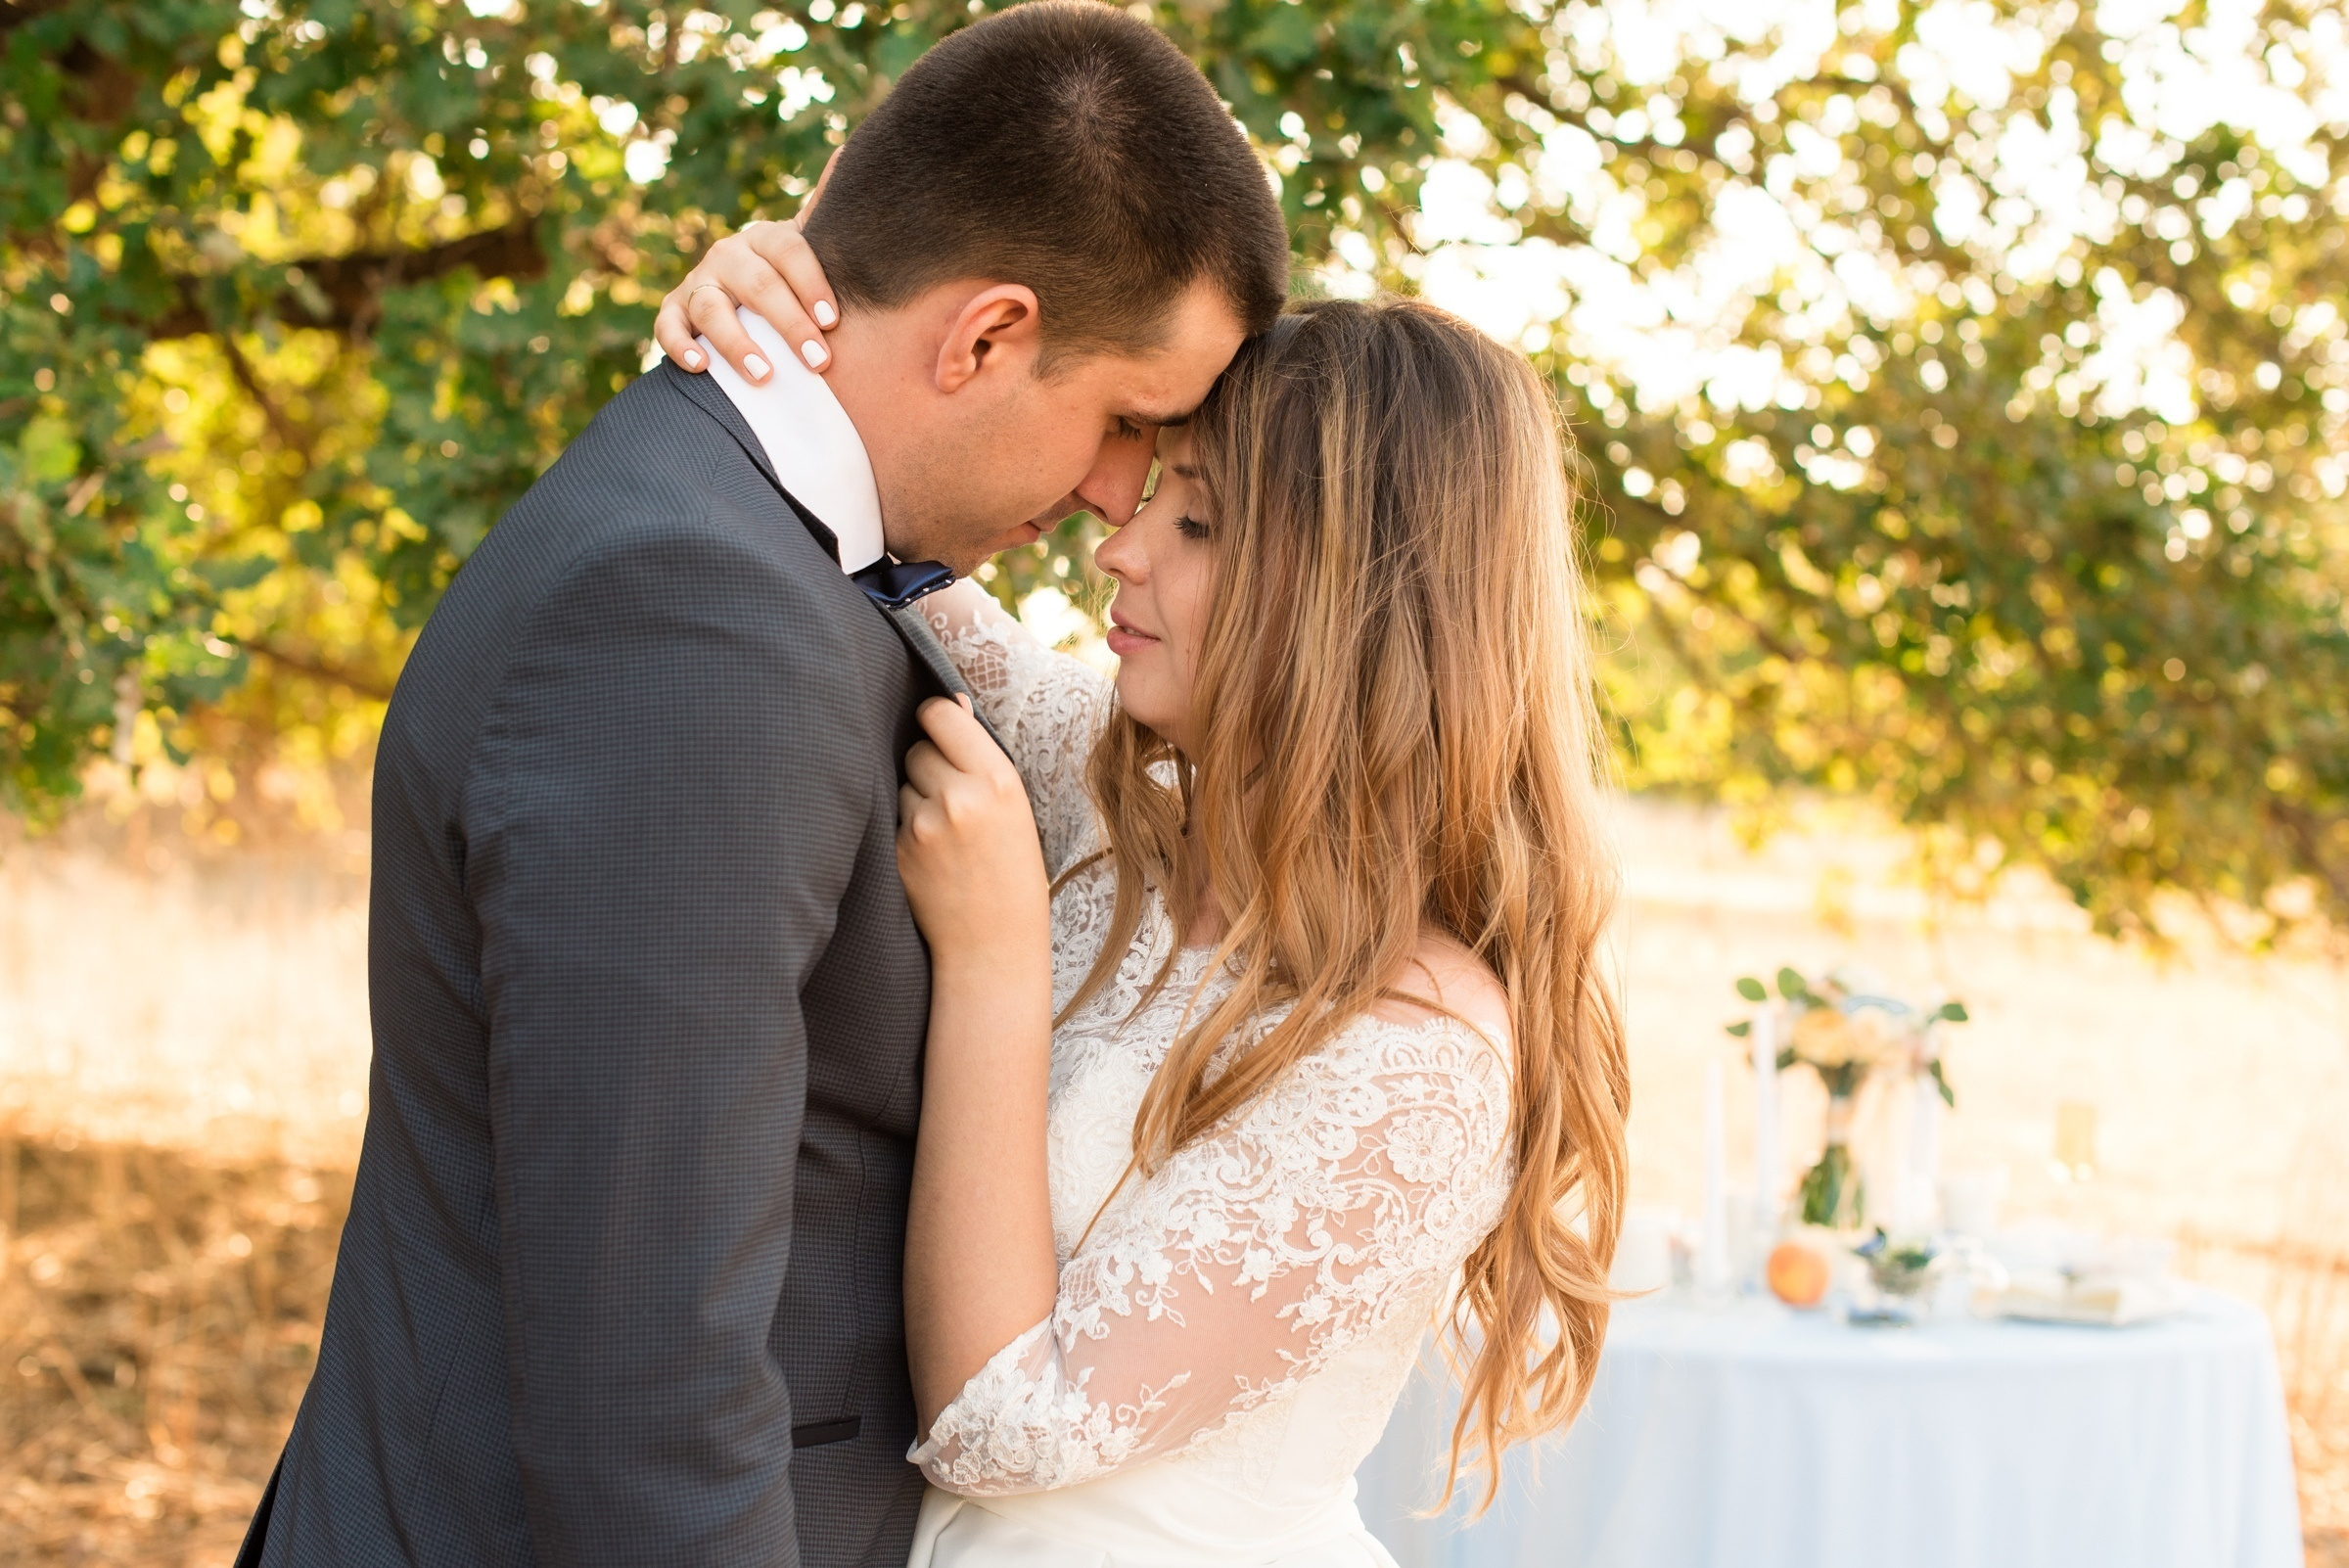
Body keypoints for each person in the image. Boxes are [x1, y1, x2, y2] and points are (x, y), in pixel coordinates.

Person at [234, 7, 1287, 1567]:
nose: (1117, 491)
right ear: (986, 333)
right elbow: (648, 1386)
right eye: (1128, 418)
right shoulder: (692, 611)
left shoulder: (743, 536)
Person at [663, 242, 1630, 1561]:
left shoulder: (1419, 1062)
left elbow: (1004, 1424)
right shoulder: (1104, 785)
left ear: (1351, 598)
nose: (1116, 548)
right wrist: (755, 297)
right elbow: (869, 514)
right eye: (1149, 497)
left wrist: (997, 960)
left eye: (1196, 520)